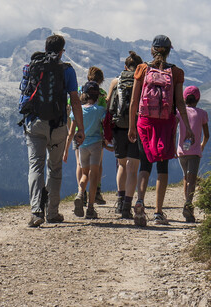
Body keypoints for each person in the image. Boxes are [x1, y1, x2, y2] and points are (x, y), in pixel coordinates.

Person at [127, 35, 194, 226]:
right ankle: (158, 212)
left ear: (152, 49)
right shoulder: (176, 72)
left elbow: (134, 101)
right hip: (166, 123)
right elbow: (180, 103)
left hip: (144, 122)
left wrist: (132, 126)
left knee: (145, 163)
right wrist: (187, 127)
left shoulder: (142, 69)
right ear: (169, 50)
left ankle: (139, 201)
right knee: (162, 167)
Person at [19, 34, 85, 227]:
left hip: (35, 124)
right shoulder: (67, 70)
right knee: (54, 168)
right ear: (62, 51)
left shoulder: (32, 67)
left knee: (36, 167)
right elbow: (74, 100)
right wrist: (80, 128)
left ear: (45, 48)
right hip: (58, 126)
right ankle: (53, 212)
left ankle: (36, 211)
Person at [106, 51, 144, 219]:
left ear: (125, 67)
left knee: (121, 165)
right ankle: (128, 205)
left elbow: (108, 105)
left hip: (119, 126)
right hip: (136, 128)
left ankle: (120, 202)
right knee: (133, 169)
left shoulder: (116, 81)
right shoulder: (141, 81)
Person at [69, 66, 108, 205]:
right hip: (96, 136)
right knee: (97, 165)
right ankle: (96, 192)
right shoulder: (102, 94)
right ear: (101, 80)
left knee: (80, 165)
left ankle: (81, 192)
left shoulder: (80, 91)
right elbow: (106, 114)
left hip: (79, 134)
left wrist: (71, 132)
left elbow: (70, 108)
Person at [177, 85, 210, 223]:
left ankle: (187, 202)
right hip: (195, 152)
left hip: (181, 152)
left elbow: (173, 130)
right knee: (192, 179)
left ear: (184, 98)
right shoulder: (202, 113)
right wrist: (201, 146)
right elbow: (207, 135)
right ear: (198, 98)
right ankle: (189, 205)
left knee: (185, 177)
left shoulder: (179, 112)